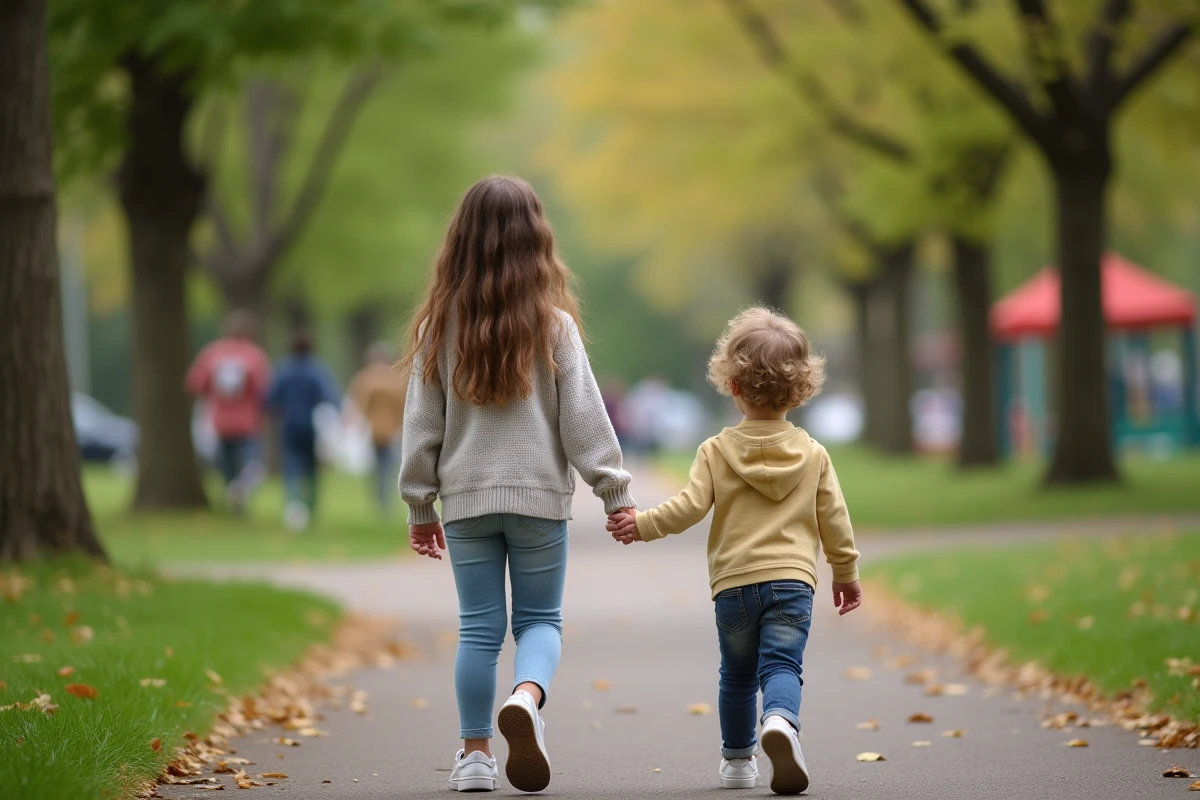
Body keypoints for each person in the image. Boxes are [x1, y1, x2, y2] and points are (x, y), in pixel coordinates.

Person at [398, 175, 635, 794]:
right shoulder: (552, 326)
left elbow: (422, 424)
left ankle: (475, 757)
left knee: (478, 628)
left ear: (461, 243)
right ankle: (527, 698)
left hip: (467, 500)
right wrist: (615, 493)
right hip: (537, 502)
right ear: (537, 242)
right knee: (539, 622)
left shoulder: (438, 327)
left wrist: (419, 504)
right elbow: (584, 419)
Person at [607, 306, 862, 795]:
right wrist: (846, 573)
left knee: (738, 675)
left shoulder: (716, 450)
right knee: (783, 667)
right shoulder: (813, 454)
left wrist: (640, 526)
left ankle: (738, 762)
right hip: (792, 582)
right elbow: (835, 521)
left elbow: (687, 507)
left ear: (734, 386)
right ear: (802, 389)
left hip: (735, 585)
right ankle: (782, 722)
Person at [185, 311, 271, 513]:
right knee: (251, 464)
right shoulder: (254, 355)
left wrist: (213, 395)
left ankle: (234, 500)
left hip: (220, 420)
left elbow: (195, 383)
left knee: (228, 465)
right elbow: (264, 390)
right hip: (248, 421)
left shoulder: (212, 353)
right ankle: (240, 498)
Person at [266, 330, 341, 531]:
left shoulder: (283, 370)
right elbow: (331, 398)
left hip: (289, 426)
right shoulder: (317, 371)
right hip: (313, 428)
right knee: (312, 471)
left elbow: (270, 400)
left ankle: (292, 507)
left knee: (291, 468)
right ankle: (311, 509)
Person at [348, 343, 408, 514]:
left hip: (374, 427)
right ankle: (384, 498)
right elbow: (403, 403)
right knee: (387, 466)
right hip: (391, 428)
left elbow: (360, 401)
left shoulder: (367, 378)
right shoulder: (395, 379)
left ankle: (379, 497)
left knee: (377, 465)